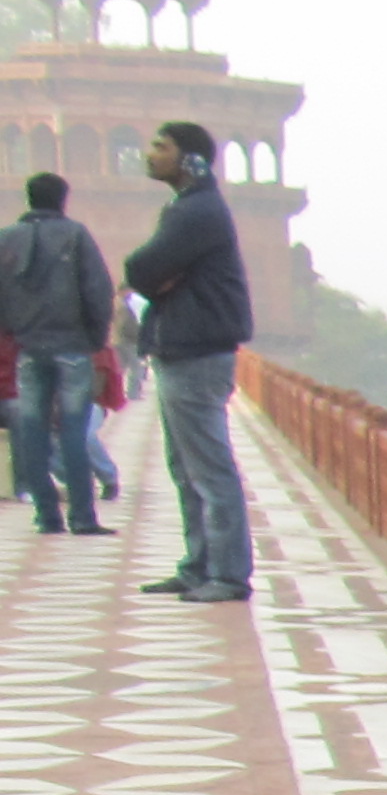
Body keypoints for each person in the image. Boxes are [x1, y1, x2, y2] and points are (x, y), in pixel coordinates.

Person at [124, 118, 254, 602]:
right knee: (186, 466)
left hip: (197, 350)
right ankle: (199, 565)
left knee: (208, 466)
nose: (150, 153)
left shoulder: (196, 212)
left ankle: (228, 574)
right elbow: (148, 273)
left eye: (161, 146)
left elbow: (141, 268)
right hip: (184, 346)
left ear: (191, 159)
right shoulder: (188, 207)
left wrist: (155, 277)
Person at [0, 173, 117, 537]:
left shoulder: (7, 238)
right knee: (72, 431)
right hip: (71, 345)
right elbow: (98, 289)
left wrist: (11, 333)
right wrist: (95, 338)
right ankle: (82, 516)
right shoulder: (75, 235)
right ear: (63, 199)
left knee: (33, 432)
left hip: (28, 347)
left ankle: (47, 515)